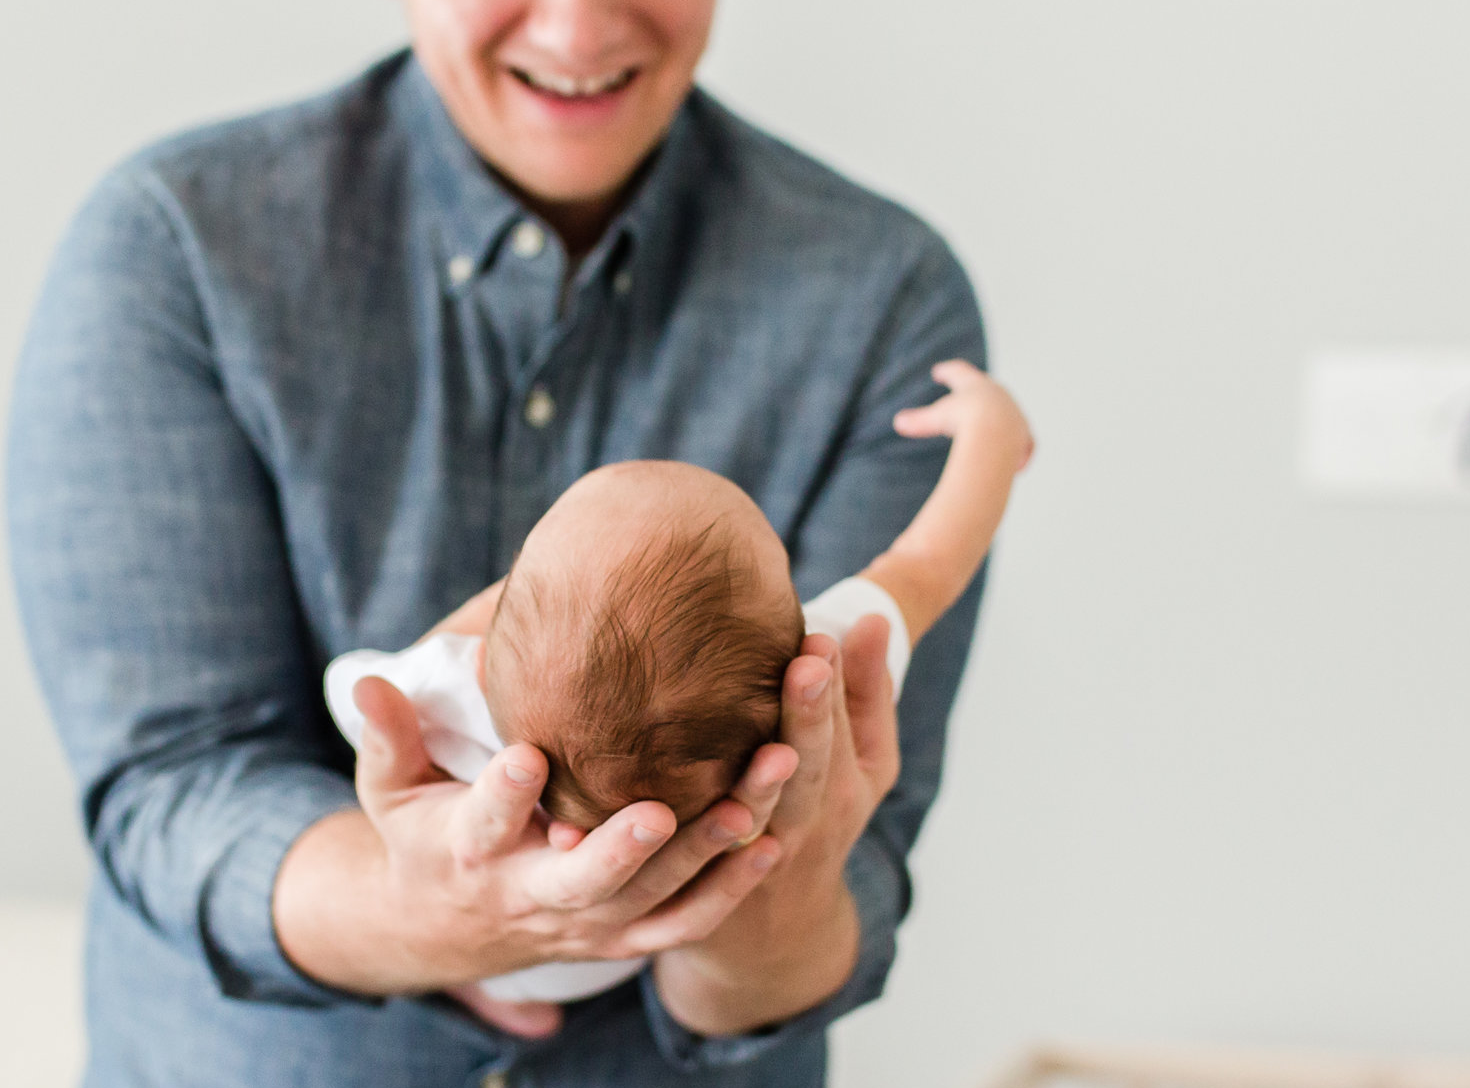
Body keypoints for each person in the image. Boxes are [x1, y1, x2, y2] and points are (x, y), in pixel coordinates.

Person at [6, 0, 991, 1088]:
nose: (582, 21)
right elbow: (174, 789)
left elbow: (836, 908)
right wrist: (432, 904)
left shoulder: (882, 297)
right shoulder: (172, 252)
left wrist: (760, 886)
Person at [321, 358, 1030, 1010]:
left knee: (495, 950)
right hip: (657, 932)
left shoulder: (453, 682)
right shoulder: (822, 660)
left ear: (481, 664)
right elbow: (928, 561)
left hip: (513, 936)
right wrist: (993, 441)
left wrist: (474, 625)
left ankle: (501, 991)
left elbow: (352, 691)